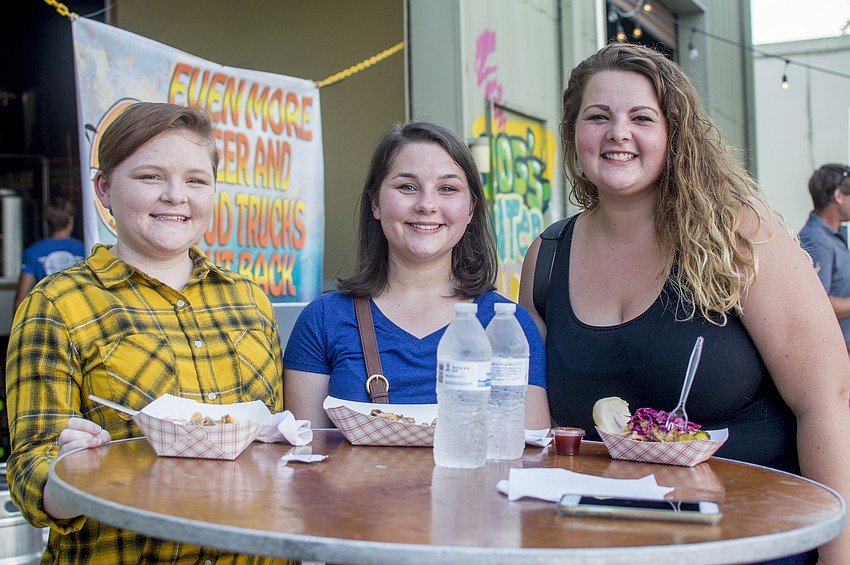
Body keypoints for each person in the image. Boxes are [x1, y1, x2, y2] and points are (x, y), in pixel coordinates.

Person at [518, 42, 850, 564]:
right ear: (574, 133)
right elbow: (536, 433)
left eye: (641, 118)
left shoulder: (737, 235)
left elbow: (827, 403)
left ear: (675, 133)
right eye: (598, 116)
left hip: (754, 540)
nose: (618, 133)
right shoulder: (548, 257)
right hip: (600, 544)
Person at [5, 102, 289, 565]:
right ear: (104, 188)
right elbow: (28, 475)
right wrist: (69, 478)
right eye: (150, 177)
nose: (176, 196)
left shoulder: (249, 299)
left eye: (196, 180)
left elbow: (276, 439)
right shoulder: (56, 304)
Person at [284, 121, 550, 430]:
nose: (426, 205)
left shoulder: (509, 326)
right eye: (407, 187)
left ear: (471, 210)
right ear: (375, 203)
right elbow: (305, 452)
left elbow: (532, 451)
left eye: (447, 189)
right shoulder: (323, 319)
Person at [798, 164, 850, 347]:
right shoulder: (816, 240)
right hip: (836, 350)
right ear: (838, 195)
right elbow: (817, 304)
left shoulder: (835, 235)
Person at [13, 197, 86, 311]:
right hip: (79, 313)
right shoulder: (85, 249)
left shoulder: (33, 251)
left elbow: (21, 299)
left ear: (48, 222)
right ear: (70, 220)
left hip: (46, 315)